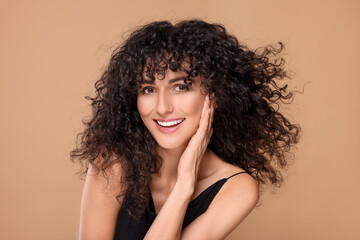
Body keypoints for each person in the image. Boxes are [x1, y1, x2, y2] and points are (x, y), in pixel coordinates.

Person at [71, 19, 300, 240]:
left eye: (180, 87)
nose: (162, 108)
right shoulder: (111, 163)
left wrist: (185, 184)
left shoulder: (237, 188)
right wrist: (184, 186)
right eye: (148, 89)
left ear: (215, 94)